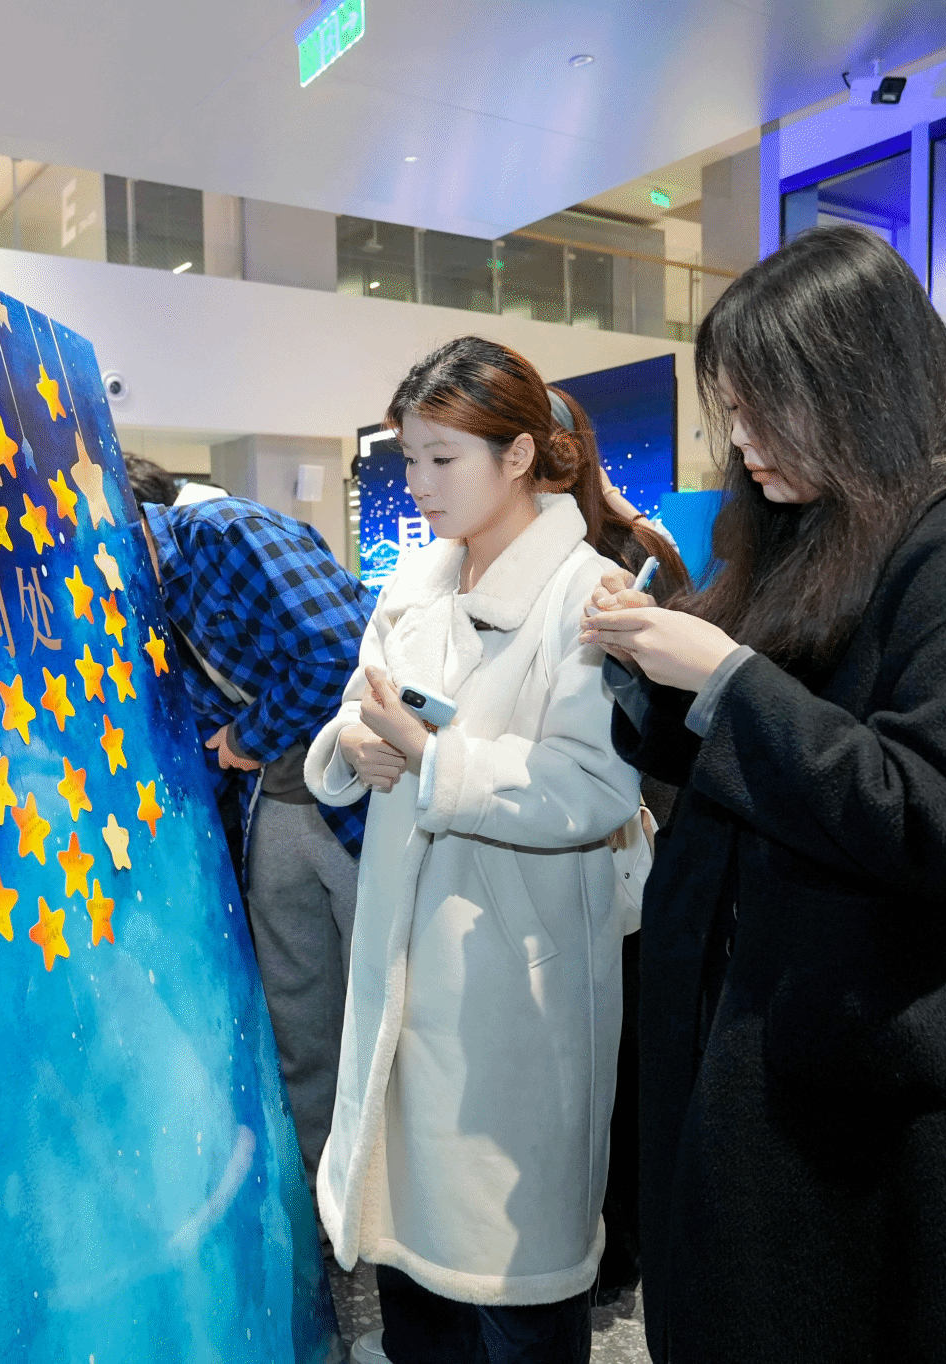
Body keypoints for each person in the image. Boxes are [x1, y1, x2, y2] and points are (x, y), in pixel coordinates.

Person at [582, 224, 946, 1364]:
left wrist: (723, 676)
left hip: (874, 1085)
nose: (741, 441)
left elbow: (931, 812)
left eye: (764, 408)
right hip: (765, 1044)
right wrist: (648, 674)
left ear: (859, 387)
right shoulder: (829, 529)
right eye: (730, 410)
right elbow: (763, 761)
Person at [305, 335, 646, 1363]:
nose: (417, 482)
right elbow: (356, 708)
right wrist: (355, 746)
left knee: (513, 1275)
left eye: (442, 457)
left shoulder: (587, 597)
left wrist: (437, 761)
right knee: (415, 1281)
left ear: (518, 455)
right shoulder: (412, 583)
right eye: (409, 457)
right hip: (404, 956)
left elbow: (594, 787)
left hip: (516, 976)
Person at [123, 453, 376, 1190]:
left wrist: (246, 737)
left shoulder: (224, 533)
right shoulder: (135, 604)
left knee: (383, 1007)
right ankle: (323, 1198)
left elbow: (338, 653)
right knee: (299, 1018)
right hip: (271, 805)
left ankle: (389, 1202)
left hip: (360, 790)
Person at [549, 383, 687, 1307]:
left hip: (627, 833)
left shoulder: (627, 556)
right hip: (579, 830)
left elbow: (665, 709)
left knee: (621, 1056)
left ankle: (617, 1246)